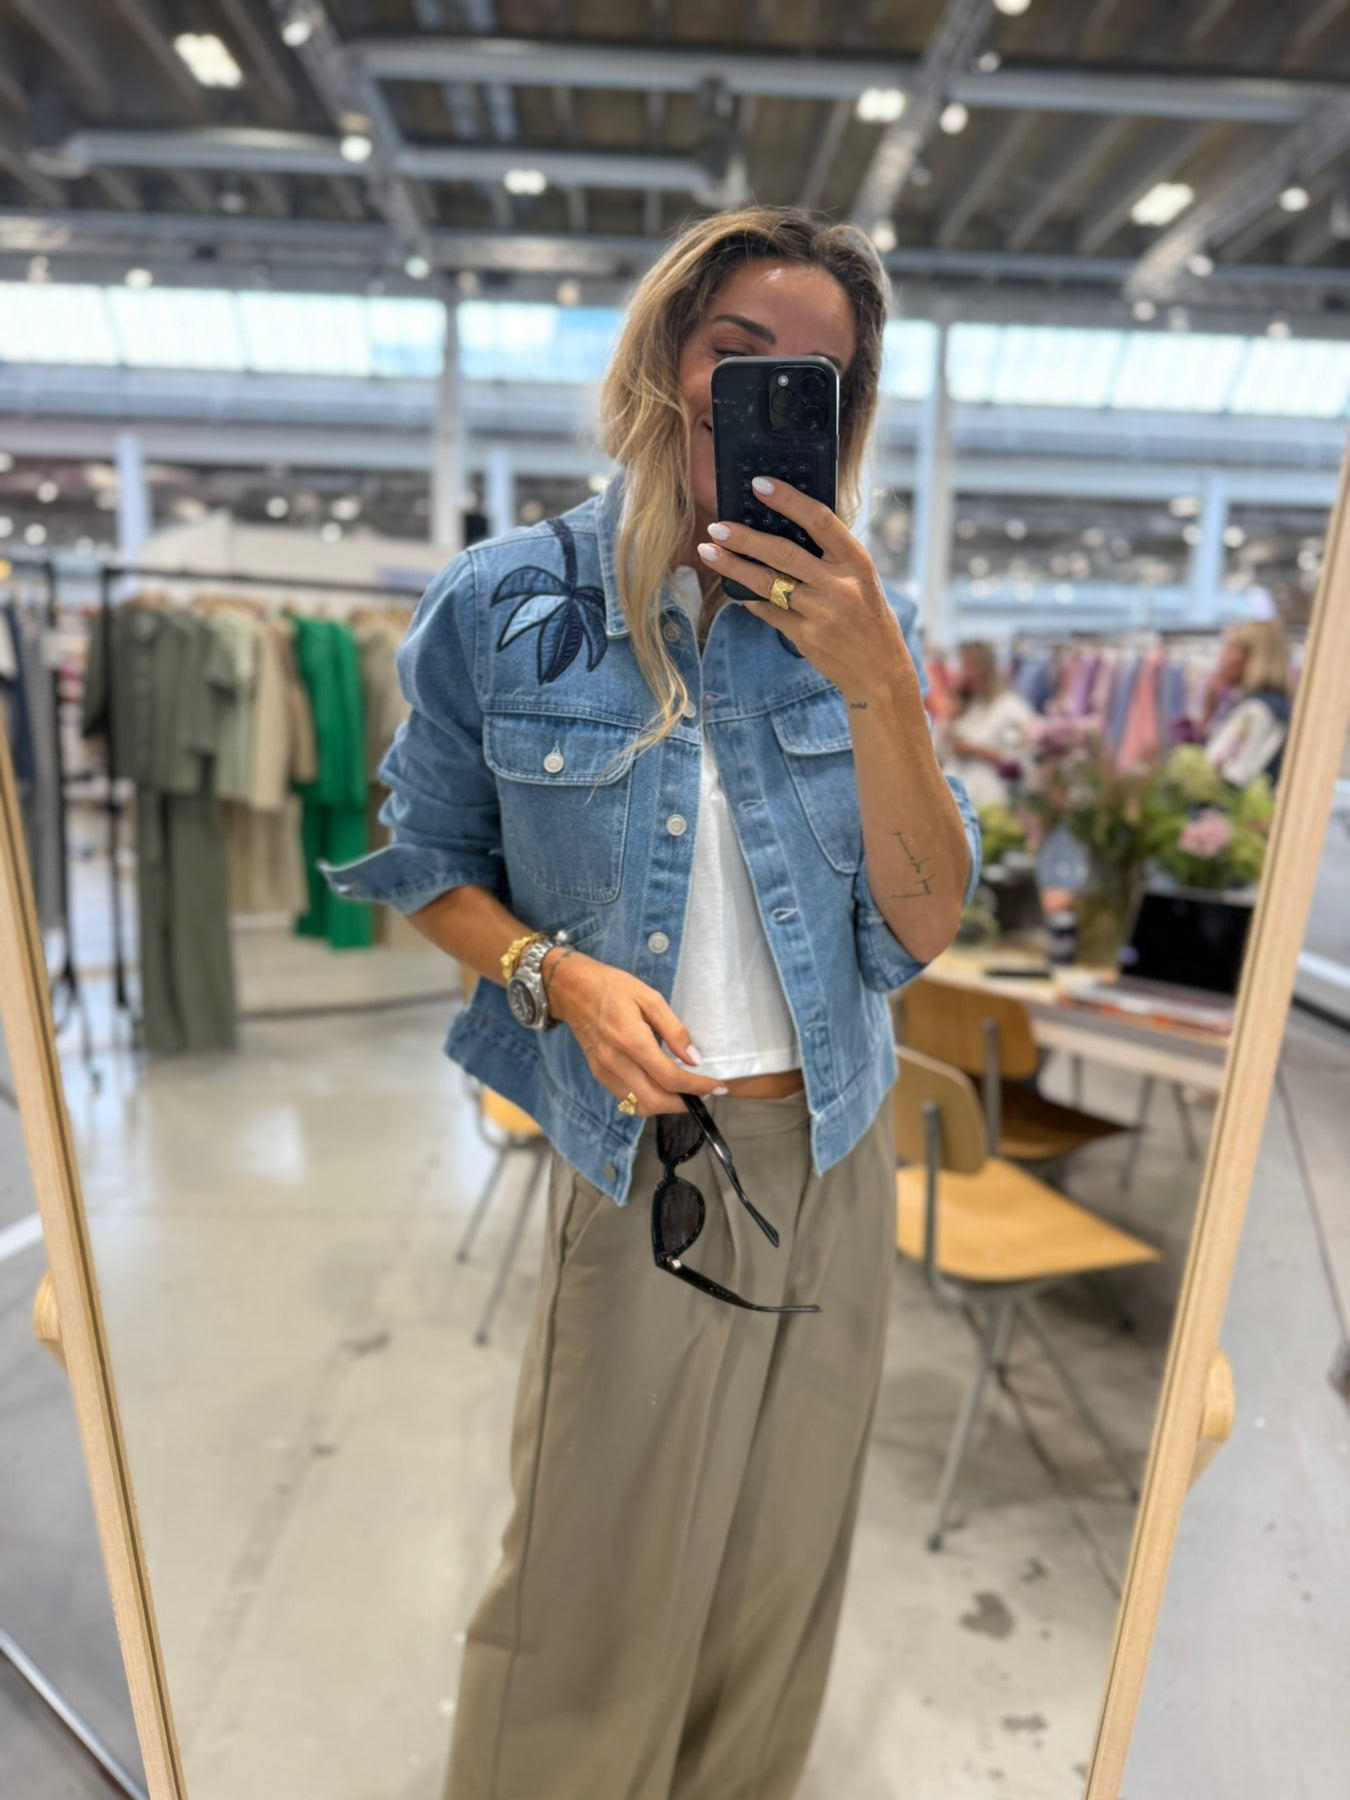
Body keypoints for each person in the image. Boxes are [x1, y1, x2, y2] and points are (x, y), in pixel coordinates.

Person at [323, 205, 980, 1800]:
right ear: (664, 361)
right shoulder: (505, 604)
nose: (761, 399)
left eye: (811, 380)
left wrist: (879, 684)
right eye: (736, 355)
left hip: (832, 1150)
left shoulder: (862, 628)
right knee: (586, 1591)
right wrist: (551, 974)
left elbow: (923, 919)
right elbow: (427, 867)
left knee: (776, 1577)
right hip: (644, 1161)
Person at [938, 639, 1035, 807]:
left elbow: (1021, 763)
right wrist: (952, 716)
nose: (967, 674)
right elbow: (939, 750)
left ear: (987, 668)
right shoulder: (965, 707)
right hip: (955, 798)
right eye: (964, 666)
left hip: (991, 799)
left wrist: (975, 751)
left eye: (972, 665)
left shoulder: (1011, 707)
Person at [1204, 619, 1292, 787]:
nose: (1222, 658)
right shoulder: (1260, 706)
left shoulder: (1258, 711)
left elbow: (1229, 776)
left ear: (1254, 656)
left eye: (1230, 649)